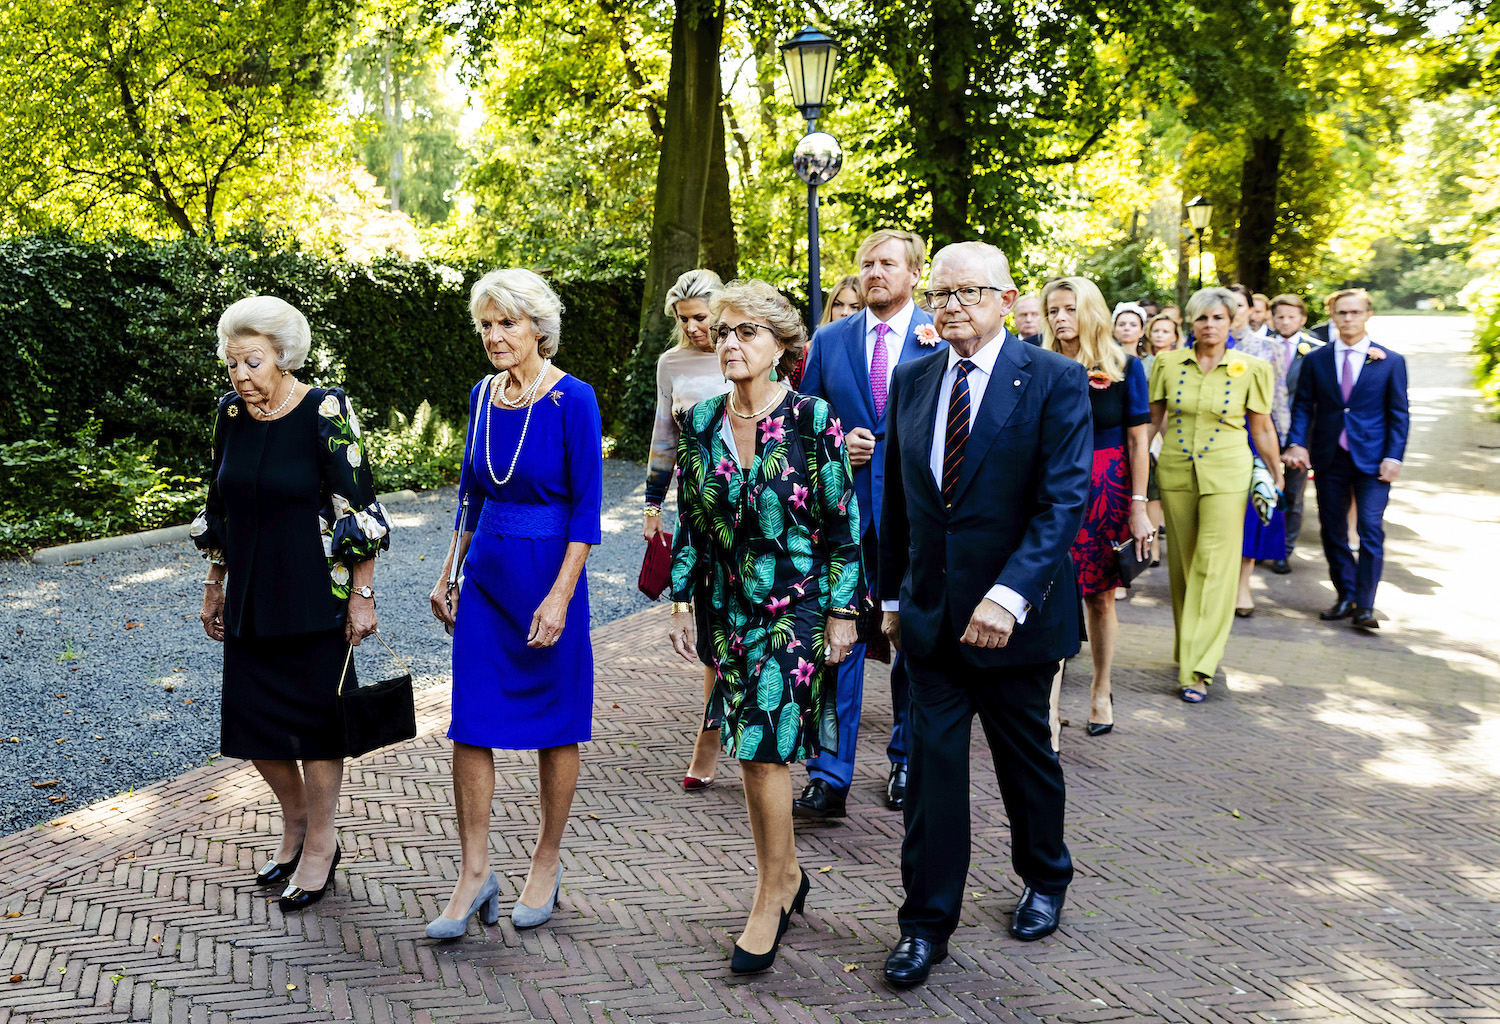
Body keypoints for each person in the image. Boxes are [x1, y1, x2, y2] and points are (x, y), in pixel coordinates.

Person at [879, 242, 1091, 988]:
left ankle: (1046, 876)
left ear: (1005, 298)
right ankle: (925, 926)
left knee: (1025, 763)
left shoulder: (1054, 380)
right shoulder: (911, 379)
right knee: (932, 776)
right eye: (940, 293)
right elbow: (902, 501)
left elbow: (1063, 502)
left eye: (968, 292)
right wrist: (894, 597)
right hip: (933, 623)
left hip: (1016, 621)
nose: (951, 306)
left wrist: (1008, 598)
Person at [666, 279, 863, 973]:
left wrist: (844, 612)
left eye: (746, 331)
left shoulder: (815, 421)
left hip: (799, 605)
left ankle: (769, 891)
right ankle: (786, 875)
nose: (729, 343)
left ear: (782, 345)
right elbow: (693, 522)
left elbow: (843, 528)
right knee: (756, 748)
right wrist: (681, 602)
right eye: (722, 332)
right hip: (727, 607)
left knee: (761, 744)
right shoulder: (698, 422)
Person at [191, 295, 391, 912]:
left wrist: (362, 594)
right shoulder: (231, 412)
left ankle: (321, 841)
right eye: (232, 365)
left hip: (312, 592)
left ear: (282, 356)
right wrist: (214, 581)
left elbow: (357, 507)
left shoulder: (324, 409)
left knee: (317, 725)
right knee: (255, 728)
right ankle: (298, 820)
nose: (241, 376)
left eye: (252, 361)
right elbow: (219, 502)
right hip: (250, 590)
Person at [426, 269, 604, 938]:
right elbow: (472, 491)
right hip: (487, 581)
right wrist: (449, 570)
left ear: (539, 328)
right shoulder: (480, 395)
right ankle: (474, 875)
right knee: (470, 722)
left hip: (549, 579)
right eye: (486, 325)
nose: (494, 336)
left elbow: (588, 508)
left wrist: (561, 596)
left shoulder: (573, 399)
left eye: (506, 323)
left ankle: (546, 860)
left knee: (556, 723)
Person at [796, 230, 939, 818]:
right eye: (867, 264)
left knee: (913, 643)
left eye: (888, 263)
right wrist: (836, 444)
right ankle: (829, 774)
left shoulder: (941, 336)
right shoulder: (830, 340)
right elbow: (802, 424)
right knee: (839, 642)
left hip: (918, 517)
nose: (876, 272)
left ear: (913, 273)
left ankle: (907, 759)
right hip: (846, 517)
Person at [1148, 288, 1282, 702]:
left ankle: (1198, 668)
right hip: (1175, 472)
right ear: (1191, 322)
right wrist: (1135, 485)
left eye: (1218, 318)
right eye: (1202, 319)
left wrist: (1276, 474)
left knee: (1214, 566)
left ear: (1231, 323)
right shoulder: (1166, 363)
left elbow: (1261, 428)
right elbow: (1151, 424)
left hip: (1230, 475)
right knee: (1184, 567)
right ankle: (1187, 648)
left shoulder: (1254, 368)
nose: (1210, 326)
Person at [1042, 279, 1153, 736]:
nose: (1059, 318)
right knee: (1044, 593)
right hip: (1047, 487)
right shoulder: (1037, 360)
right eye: (1053, 310)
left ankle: (1101, 690)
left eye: (1069, 308)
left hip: (1106, 489)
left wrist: (1140, 506)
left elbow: (1137, 441)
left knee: (1101, 599)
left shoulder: (1126, 366)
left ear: (1091, 311)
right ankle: (1046, 709)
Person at [643, 269, 732, 791]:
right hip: (698, 512)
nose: (694, 328)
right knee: (710, 629)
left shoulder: (750, 348)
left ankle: (749, 734)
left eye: (701, 317)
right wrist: (653, 504)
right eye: (684, 319)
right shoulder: (670, 363)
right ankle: (710, 736)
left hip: (756, 508)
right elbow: (663, 436)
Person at [1284, 288, 1409, 631]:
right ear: (1333, 316)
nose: (1349, 318)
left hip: (1373, 460)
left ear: (1368, 315)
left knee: (1370, 529)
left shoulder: (1391, 361)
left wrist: (1393, 457)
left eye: (1355, 312)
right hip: (1329, 457)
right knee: (1333, 530)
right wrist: (1297, 443)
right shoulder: (1316, 359)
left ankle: (1366, 606)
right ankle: (1345, 595)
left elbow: (1399, 414)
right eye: (1342, 313)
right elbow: (1302, 408)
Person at [1225, 286, 1289, 617]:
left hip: (1254, 435)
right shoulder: (1195, 344)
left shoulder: (1268, 348)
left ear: (1251, 309)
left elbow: (1278, 399)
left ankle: (1242, 585)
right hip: (1212, 437)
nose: (1231, 311)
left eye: (1238, 305)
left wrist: (1282, 450)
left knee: (1251, 511)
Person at [1267, 293, 1323, 574]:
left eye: (1291, 316)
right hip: (1265, 429)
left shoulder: (1317, 350)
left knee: (1294, 494)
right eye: (1280, 316)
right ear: (1272, 318)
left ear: (1302, 319)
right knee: (1263, 489)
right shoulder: (1261, 347)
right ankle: (1260, 544)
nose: (1285, 321)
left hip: (1303, 434)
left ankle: (1283, 550)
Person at [1141, 314, 1182, 565]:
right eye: (1155, 330)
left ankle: (1157, 544)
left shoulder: (1180, 363)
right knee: (1149, 490)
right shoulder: (1142, 362)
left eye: (1166, 331)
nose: (1159, 335)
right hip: (1145, 426)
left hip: (1171, 432)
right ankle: (1150, 545)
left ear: (1175, 336)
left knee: (1158, 493)